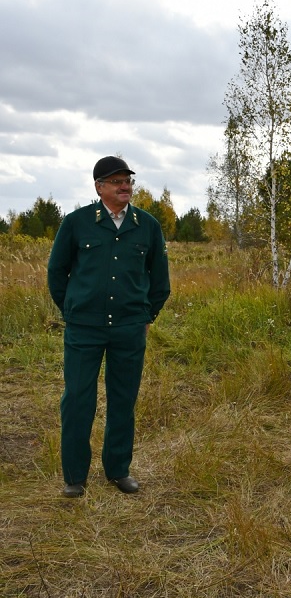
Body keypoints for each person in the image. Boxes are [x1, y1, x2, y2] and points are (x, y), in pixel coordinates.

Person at [47, 156, 171, 498]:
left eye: (128, 179)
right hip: (83, 329)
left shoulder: (147, 226)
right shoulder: (77, 223)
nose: (125, 186)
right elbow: (57, 273)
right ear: (99, 187)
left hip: (129, 329)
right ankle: (74, 477)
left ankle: (118, 470)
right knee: (77, 400)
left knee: (123, 400)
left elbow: (160, 281)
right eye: (116, 181)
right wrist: (73, 309)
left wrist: (147, 316)